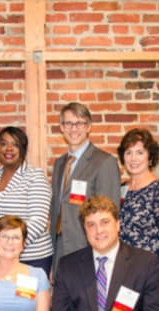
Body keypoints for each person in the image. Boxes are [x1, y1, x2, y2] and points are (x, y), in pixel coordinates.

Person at [0, 127, 54, 274]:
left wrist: (9, 249)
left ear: (23, 149)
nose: (9, 148)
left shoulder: (35, 177)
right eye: (3, 144)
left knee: (25, 291)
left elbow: (38, 221)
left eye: (15, 144)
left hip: (31, 258)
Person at [50, 102, 121, 273]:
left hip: (88, 250)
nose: (74, 129)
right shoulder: (60, 164)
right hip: (60, 250)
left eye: (79, 123)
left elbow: (109, 214)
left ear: (89, 127)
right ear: (62, 127)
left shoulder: (104, 162)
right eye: (68, 123)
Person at [117, 128, 159, 279]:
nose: (133, 158)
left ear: (150, 157)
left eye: (140, 152)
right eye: (129, 152)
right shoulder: (121, 189)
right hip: (123, 271)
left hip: (150, 273)